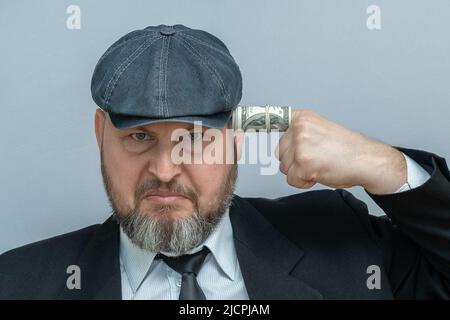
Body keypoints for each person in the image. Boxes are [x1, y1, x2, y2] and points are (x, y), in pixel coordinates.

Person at [1, 24, 449, 300]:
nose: (164, 168)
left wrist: (384, 165)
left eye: (193, 139)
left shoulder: (343, 243)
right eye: (138, 137)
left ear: (236, 138)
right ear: (101, 134)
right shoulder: (18, 282)